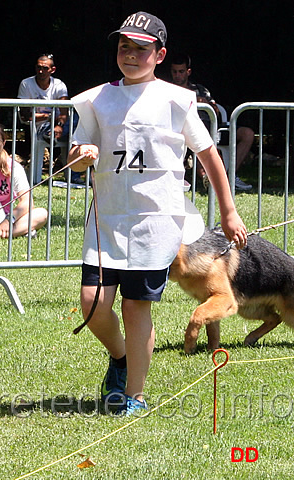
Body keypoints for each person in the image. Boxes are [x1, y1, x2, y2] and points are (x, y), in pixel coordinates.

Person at [67, 11, 247, 415]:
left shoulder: (178, 100)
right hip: (107, 221)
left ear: (160, 54)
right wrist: (83, 156)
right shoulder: (96, 99)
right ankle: (121, 357)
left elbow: (208, 156)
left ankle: (135, 394)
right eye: (123, 46)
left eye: (141, 48)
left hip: (155, 223)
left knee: (135, 306)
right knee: (91, 303)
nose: (130, 54)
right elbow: (75, 159)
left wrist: (230, 212)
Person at [170, 53, 254, 192]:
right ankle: (208, 180)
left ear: (188, 72)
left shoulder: (201, 90)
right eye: (174, 72)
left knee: (248, 134)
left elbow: (217, 111)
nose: (178, 75)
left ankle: (229, 177)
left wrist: (205, 102)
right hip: (182, 131)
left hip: (213, 128)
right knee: (195, 136)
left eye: (181, 71)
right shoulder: (166, 90)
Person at [17, 53, 72, 184]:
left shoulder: (59, 85)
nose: (41, 71)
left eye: (45, 68)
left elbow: (64, 112)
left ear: (52, 70)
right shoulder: (26, 84)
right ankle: (52, 134)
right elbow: (26, 115)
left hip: (60, 125)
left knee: (75, 121)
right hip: (39, 126)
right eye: (38, 67)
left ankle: (54, 135)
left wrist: (58, 125)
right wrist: (48, 117)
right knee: (72, 129)